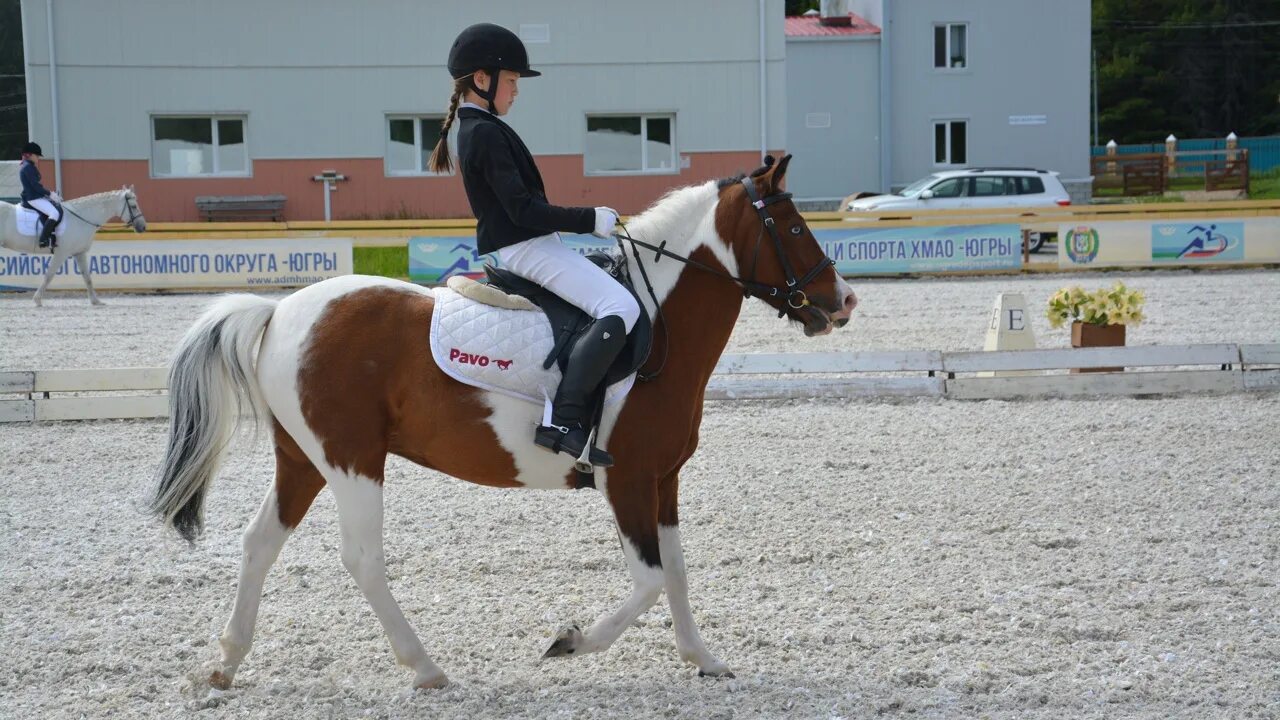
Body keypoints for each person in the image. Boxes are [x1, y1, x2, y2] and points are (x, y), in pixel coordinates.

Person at [430, 23, 640, 468]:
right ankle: (565, 421)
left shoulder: (482, 127)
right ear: (482, 80)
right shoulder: (483, 132)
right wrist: (590, 219)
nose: (516, 91)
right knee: (621, 307)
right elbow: (523, 210)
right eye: (511, 81)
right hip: (525, 245)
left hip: (532, 242)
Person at [19, 142, 62, 249]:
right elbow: (36, 187)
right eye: (37, 155)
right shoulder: (28, 167)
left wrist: (48, 195)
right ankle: (43, 240)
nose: (38, 158)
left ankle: (52, 237)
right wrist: (50, 194)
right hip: (33, 198)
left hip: (35, 196)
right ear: (30, 155)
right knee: (54, 213)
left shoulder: (29, 166)